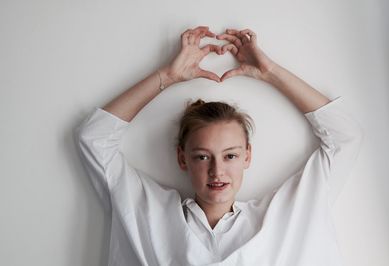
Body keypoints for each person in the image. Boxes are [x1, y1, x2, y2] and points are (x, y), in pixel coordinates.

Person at [74, 26, 364, 266]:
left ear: (247, 156)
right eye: (202, 157)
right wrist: (167, 77)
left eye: (230, 156)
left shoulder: (287, 215)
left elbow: (344, 136)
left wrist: (270, 72)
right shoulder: (146, 213)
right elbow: (93, 137)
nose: (217, 171)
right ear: (182, 158)